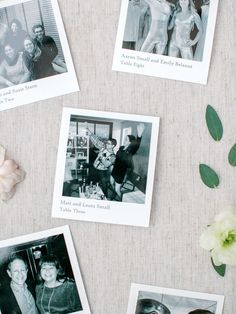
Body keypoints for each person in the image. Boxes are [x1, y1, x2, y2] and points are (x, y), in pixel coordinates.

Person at [110, 123, 145, 199]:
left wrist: (139, 135)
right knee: (111, 182)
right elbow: (117, 157)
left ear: (130, 142)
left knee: (117, 189)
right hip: (115, 169)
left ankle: (122, 200)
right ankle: (114, 193)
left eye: (126, 139)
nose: (124, 140)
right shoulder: (121, 148)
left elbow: (137, 145)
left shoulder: (130, 151)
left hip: (120, 173)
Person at [86, 125, 117, 197]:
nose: (106, 144)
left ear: (112, 146)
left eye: (108, 144)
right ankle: (90, 195)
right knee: (90, 182)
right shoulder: (103, 147)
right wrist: (89, 131)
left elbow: (106, 165)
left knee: (104, 186)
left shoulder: (113, 156)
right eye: (106, 143)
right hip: (94, 168)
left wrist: (101, 157)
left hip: (102, 172)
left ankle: (105, 198)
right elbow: (96, 141)